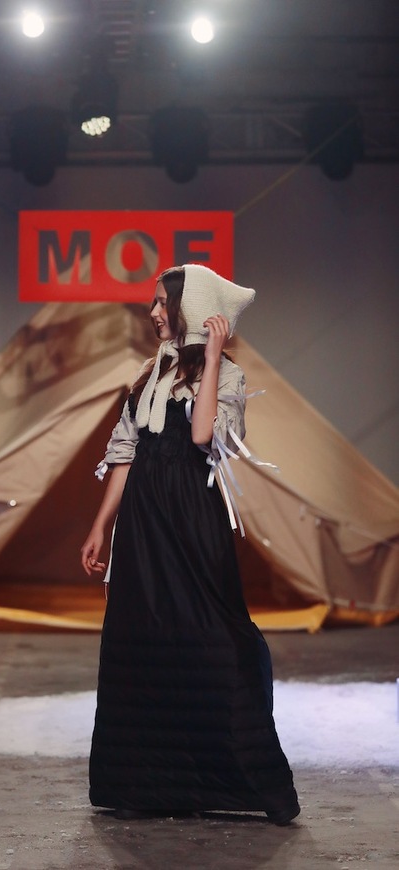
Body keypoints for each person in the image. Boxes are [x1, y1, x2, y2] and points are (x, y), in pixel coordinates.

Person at [80, 263, 300, 826]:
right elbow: (125, 451)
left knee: (216, 637)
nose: (153, 312)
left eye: (162, 302)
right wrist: (101, 525)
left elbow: (204, 435)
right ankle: (147, 786)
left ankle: (251, 781)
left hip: (192, 521)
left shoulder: (226, 376)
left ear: (191, 309)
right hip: (144, 523)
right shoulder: (150, 372)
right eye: (154, 303)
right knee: (142, 639)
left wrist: (214, 353)